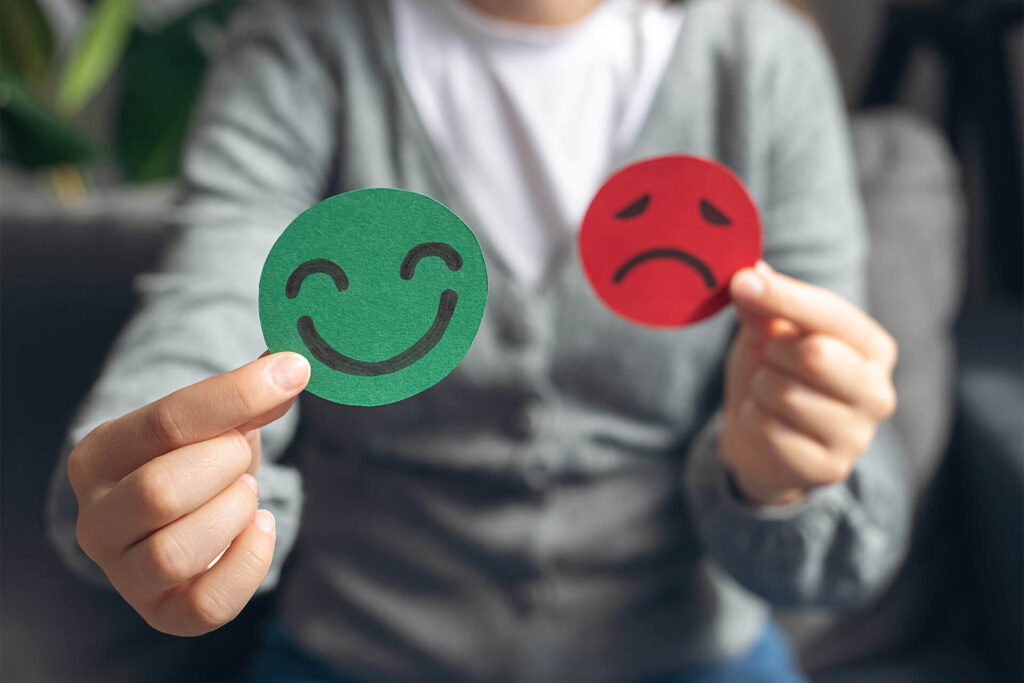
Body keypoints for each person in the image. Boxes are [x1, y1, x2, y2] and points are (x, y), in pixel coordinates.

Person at [47, 0, 911, 680]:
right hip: (356, 654)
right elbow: (209, 305)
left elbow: (850, 502)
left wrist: (782, 472)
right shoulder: (302, 47)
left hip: (689, 653)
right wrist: (153, 467)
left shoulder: (762, 62)